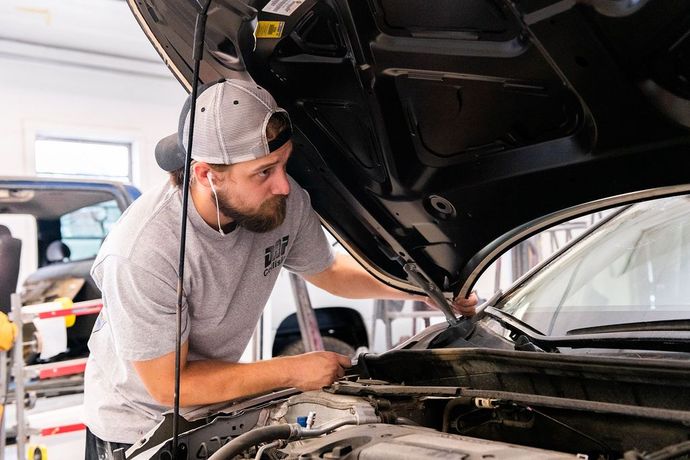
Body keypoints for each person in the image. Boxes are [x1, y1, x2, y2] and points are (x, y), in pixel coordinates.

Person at [83, 79, 477, 458]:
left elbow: (329, 273)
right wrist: (292, 370)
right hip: (138, 431)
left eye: (283, 164)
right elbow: (171, 384)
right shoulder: (144, 251)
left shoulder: (282, 205)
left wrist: (413, 288)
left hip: (214, 409)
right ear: (207, 175)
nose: (284, 186)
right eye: (263, 171)